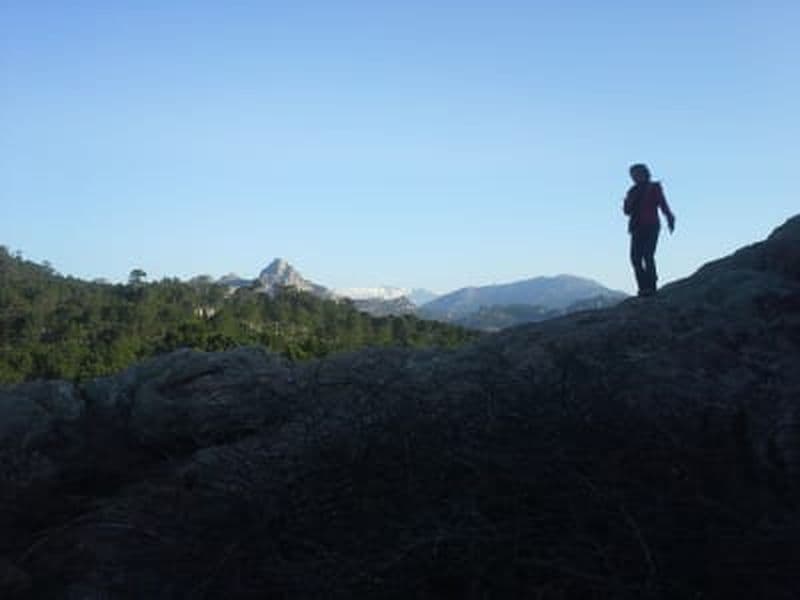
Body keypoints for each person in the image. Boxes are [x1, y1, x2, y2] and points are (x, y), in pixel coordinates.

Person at [622, 163, 675, 296]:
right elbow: (627, 211)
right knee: (636, 258)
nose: (634, 177)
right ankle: (643, 287)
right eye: (632, 175)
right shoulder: (632, 191)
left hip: (651, 226)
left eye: (636, 174)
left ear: (644, 173)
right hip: (637, 227)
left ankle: (651, 287)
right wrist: (627, 203)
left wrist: (669, 218)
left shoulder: (654, 188)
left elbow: (663, 204)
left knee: (647, 255)